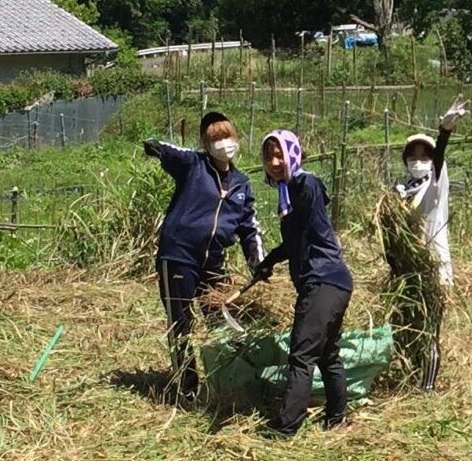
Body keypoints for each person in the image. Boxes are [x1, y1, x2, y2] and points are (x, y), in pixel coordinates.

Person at [141, 112, 264, 389]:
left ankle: (226, 380)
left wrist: (258, 263)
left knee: (221, 318)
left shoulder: (241, 184)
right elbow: (170, 150)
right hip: (178, 257)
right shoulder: (193, 165)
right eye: (215, 139)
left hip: (213, 263)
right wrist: (157, 147)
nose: (223, 143)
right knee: (181, 323)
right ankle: (187, 385)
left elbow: (250, 228)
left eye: (227, 137)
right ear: (206, 144)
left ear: (236, 139)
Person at [251, 128, 354, 433]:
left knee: (302, 354)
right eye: (269, 155)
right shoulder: (287, 194)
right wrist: (267, 263)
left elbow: (309, 200)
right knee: (327, 353)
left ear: (293, 154)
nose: (274, 161)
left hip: (323, 281)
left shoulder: (303, 184)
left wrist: (292, 185)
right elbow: (294, 241)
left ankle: (286, 426)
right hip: (333, 282)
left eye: (280, 153)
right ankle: (337, 419)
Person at [390, 97, 469, 388]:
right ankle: (408, 375)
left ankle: (428, 386)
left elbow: (439, 159)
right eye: (413, 157)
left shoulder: (435, 184)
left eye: (424, 157)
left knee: (431, 326)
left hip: (433, 264)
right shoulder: (400, 191)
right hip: (407, 270)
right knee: (408, 323)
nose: (418, 162)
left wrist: (443, 132)